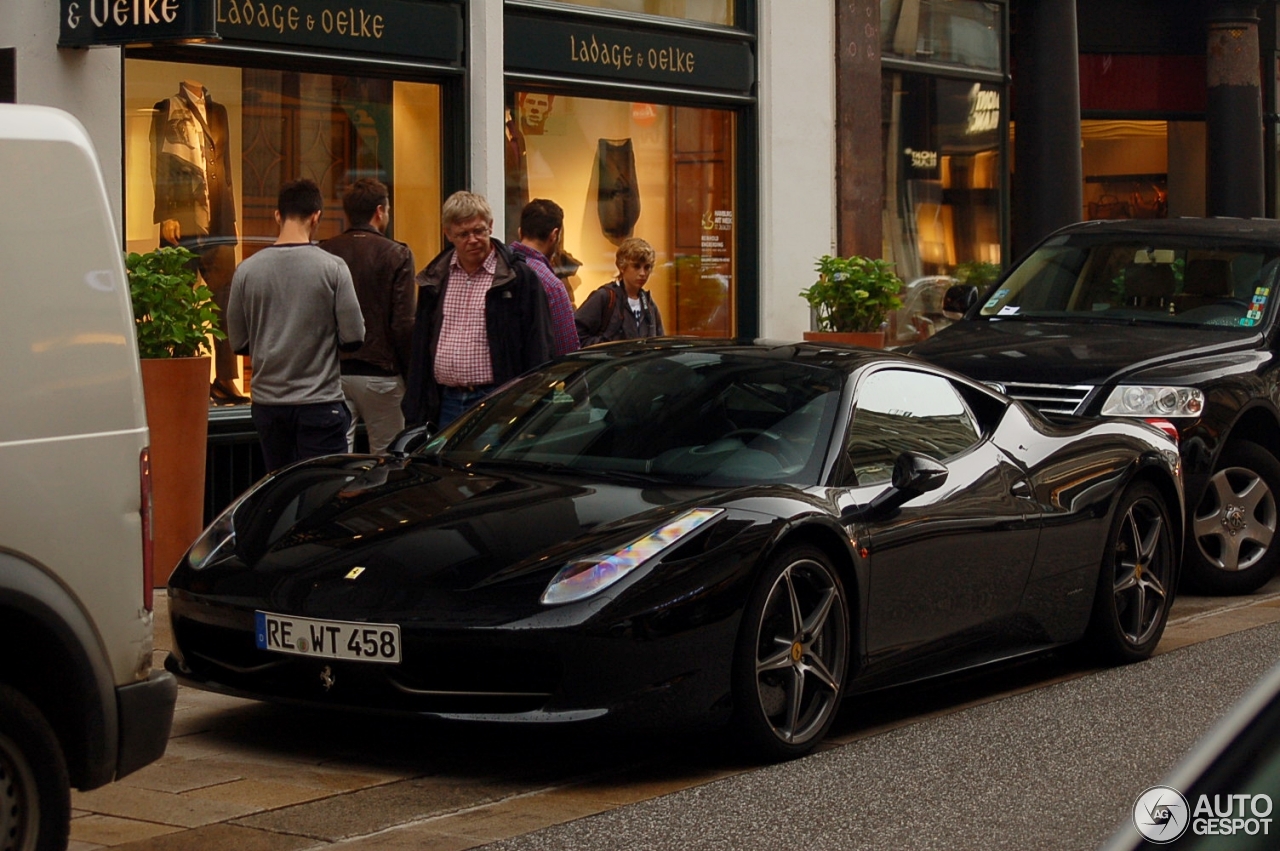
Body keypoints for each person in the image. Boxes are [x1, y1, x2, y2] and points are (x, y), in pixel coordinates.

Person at [227, 179, 365, 471]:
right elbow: (354, 336)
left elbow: (238, 341)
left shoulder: (247, 270)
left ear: (278, 215)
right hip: (319, 400)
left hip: (267, 404)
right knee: (321, 491)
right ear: (316, 216)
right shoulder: (333, 267)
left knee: (279, 491)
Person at [402, 191, 554, 430]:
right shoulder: (435, 279)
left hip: (497, 400)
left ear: (491, 227)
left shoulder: (518, 279)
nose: (472, 239)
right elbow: (421, 348)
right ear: (448, 234)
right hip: (446, 401)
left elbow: (539, 344)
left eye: (479, 231)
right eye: (463, 234)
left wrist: (532, 406)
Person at [150, 79, 245, 403]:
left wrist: (229, 218)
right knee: (180, 302)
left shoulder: (218, 111)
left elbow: (225, 165)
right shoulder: (166, 108)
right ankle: (183, 376)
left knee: (226, 303)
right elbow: (159, 164)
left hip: (217, 216)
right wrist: (166, 214)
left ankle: (226, 379)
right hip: (183, 214)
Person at [319, 178, 417, 454]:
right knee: (389, 460)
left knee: (336, 458)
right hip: (381, 373)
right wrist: (410, 375)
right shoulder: (397, 254)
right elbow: (403, 323)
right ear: (380, 211)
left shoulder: (325, 251)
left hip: (334, 372)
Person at [509, 199, 579, 357]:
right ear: (554, 235)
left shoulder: (495, 268)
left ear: (521, 232)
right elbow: (567, 351)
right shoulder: (551, 285)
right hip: (534, 377)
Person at [575, 237, 665, 346]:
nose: (643, 273)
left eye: (647, 267)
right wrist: (606, 349)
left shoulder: (649, 304)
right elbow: (576, 333)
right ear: (622, 266)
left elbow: (660, 341)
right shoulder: (605, 297)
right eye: (636, 266)